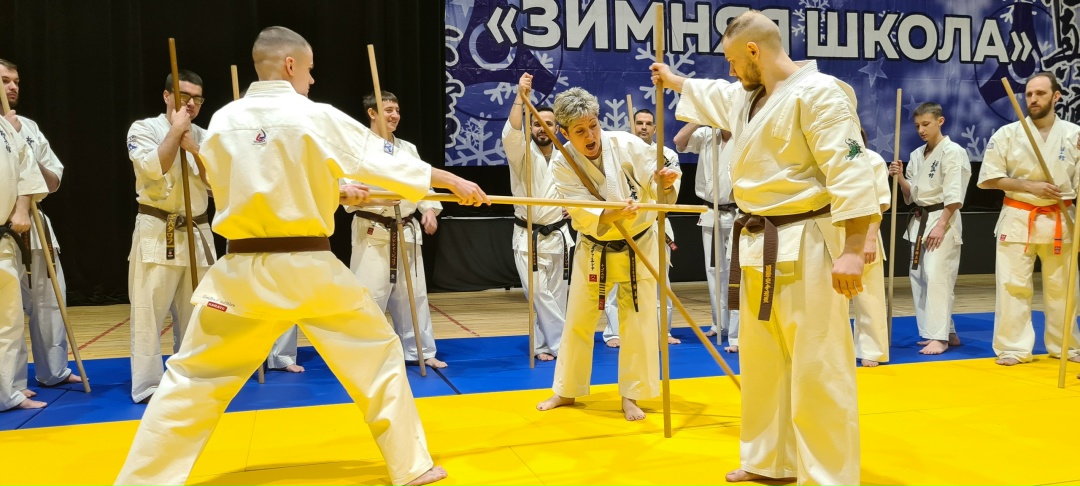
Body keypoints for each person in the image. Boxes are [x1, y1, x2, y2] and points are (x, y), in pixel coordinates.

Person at [112, 26, 488, 486]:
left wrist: (331, 188)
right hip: (308, 268)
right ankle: (411, 466)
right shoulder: (313, 115)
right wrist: (452, 181)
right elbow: (382, 158)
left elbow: (234, 182)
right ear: (290, 64)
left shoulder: (225, 120)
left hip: (241, 272)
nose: (311, 80)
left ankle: (140, 480)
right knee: (377, 356)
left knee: (192, 379)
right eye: (309, 71)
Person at [653, 10, 879, 485]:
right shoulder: (748, 97)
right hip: (757, 241)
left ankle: (828, 476)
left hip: (808, 239)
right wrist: (673, 81)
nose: (730, 69)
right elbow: (712, 93)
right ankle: (770, 462)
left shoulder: (820, 93)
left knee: (817, 365)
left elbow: (852, 170)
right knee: (762, 361)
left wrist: (853, 248)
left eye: (733, 60)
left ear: (754, 51)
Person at [535, 87, 680, 422]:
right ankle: (566, 389)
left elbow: (658, 181)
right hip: (594, 247)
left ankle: (632, 395)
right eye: (580, 131)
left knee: (638, 322)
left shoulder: (626, 144)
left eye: (593, 126)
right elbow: (583, 212)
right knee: (578, 320)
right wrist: (615, 212)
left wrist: (665, 183)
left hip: (639, 243)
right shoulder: (563, 162)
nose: (591, 136)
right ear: (565, 133)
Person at [125, 68, 216, 403]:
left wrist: (195, 148)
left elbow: (217, 184)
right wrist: (176, 132)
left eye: (197, 99)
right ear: (167, 96)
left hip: (197, 232)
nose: (191, 104)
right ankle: (148, 385)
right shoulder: (144, 129)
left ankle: (191, 377)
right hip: (157, 230)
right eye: (184, 96)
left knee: (198, 315)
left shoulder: (206, 136)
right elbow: (152, 169)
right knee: (148, 313)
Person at [977, 72, 1080, 366]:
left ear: (1056, 96)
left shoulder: (1074, 135)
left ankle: (1066, 346)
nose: (1033, 99)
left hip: (1062, 216)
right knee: (1013, 285)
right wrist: (1029, 186)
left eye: (1040, 93)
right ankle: (1013, 347)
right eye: (1029, 94)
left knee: (1064, 287)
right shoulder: (1007, 134)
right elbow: (989, 179)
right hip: (1019, 215)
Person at [346, 90, 447, 368]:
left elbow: (423, 185)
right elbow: (347, 193)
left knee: (413, 295)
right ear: (372, 113)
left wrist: (429, 210)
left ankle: (420, 351)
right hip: (373, 230)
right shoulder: (356, 148)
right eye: (388, 110)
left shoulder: (407, 149)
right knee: (371, 295)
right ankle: (367, 356)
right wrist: (379, 199)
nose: (395, 116)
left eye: (397, 111)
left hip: (406, 229)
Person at [0, 58, 82, 390]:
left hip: (35, 224)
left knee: (50, 303)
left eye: (16, 81)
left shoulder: (28, 127)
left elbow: (52, 181)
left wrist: (22, 144)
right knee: (8, 314)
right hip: (4, 226)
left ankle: (54, 370)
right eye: (5, 80)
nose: (12, 87)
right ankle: (11, 385)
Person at [890, 102, 971, 355]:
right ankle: (945, 331)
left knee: (938, 276)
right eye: (917, 126)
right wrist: (899, 177)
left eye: (926, 124)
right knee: (920, 277)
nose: (921, 130)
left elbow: (955, 194)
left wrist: (941, 225)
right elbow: (911, 194)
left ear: (940, 121)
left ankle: (940, 337)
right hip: (920, 219)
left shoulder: (953, 152)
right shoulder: (917, 154)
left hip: (942, 219)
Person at [502, 73, 573, 361]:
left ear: (558, 128)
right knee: (539, 293)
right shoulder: (520, 153)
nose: (543, 128)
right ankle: (564, 345)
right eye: (536, 123)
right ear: (530, 126)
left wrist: (576, 207)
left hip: (559, 234)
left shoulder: (568, 156)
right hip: (528, 235)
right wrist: (521, 98)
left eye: (549, 123)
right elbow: (511, 132)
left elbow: (585, 188)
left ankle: (543, 346)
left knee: (558, 294)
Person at [605, 108, 682, 346]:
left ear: (655, 128)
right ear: (633, 126)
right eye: (639, 123)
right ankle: (614, 332)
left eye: (648, 123)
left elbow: (671, 192)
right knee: (617, 279)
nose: (644, 127)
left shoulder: (666, 155)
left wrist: (664, 183)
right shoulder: (619, 153)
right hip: (625, 222)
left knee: (660, 280)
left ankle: (662, 330)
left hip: (657, 223)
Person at [674, 122, 740, 352]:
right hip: (710, 212)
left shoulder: (744, 132)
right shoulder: (705, 134)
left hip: (738, 212)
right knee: (714, 271)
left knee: (735, 272)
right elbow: (679, 142)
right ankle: (718, 323)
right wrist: (699, 117)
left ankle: (737, 333)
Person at [1, 113, 48, 410]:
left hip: (2, 238)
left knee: (9, 321)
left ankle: (7, 393)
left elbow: (27, 169)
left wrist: (20, 209)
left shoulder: (7, 127)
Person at [853, 133, 892, 367]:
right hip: (831, 231)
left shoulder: (873, 160)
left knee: (868, 296)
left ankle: (872, 350)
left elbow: (879, 204)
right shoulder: (826, 160)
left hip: (864, 229)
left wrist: (870, 239)